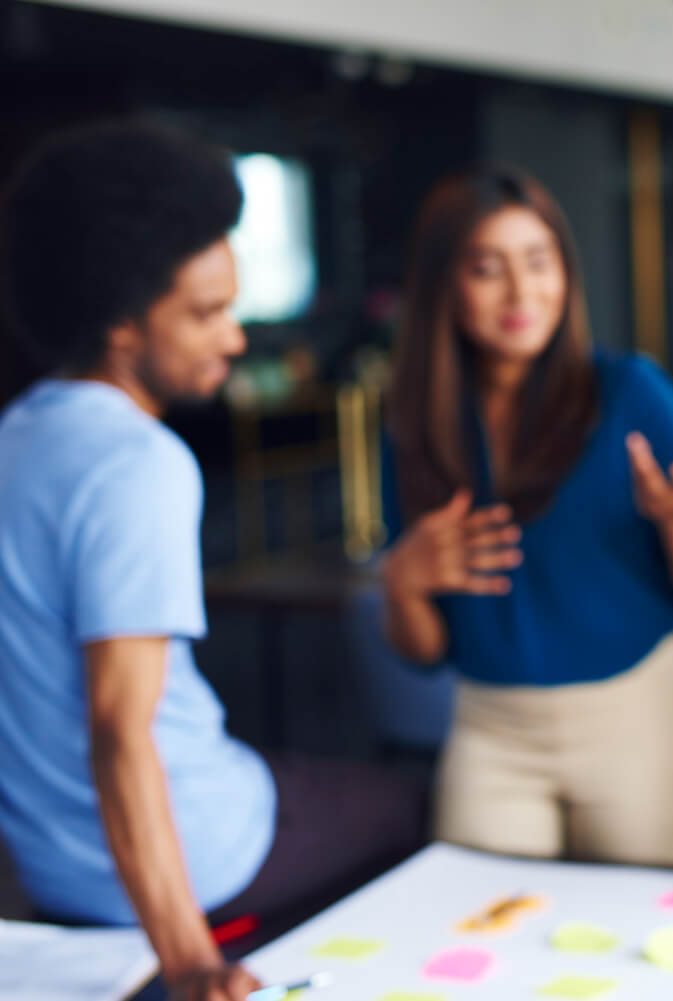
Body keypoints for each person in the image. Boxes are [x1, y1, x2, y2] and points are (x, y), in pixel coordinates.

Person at [0, 121, 428, 1001]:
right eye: (205, 313)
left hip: (54, 868)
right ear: (122, 323)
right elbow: (123, 732)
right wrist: (191, 960)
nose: (233, 338)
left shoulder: (14, 437)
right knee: (415, 802)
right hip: (196, 856)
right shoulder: (138, 461)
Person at [381, 165, 673, 868]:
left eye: (539, 262)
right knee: (481, 951)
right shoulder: (418, 424)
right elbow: (422, 652)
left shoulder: (632, 392)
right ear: (444, 288)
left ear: (565, 273)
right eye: (487, 268)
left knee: (633, 954)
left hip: (635, 717)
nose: (522, 292)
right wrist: (403, 579)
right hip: (490, 727)